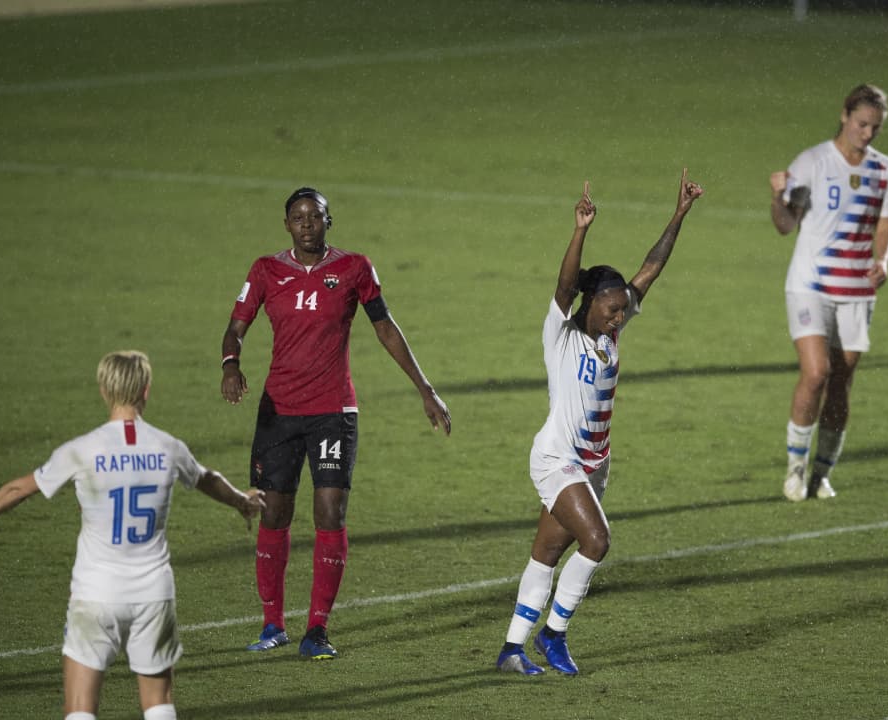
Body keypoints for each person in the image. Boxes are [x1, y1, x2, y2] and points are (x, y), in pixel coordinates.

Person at [0, 351, 264, 720]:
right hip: (153, 594)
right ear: (146, 389)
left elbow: (19, 489)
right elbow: (207, 479)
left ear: (103, 390)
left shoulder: (82, 450)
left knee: (80, 711)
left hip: (95, 594)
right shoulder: (167, 447)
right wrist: (242, 501)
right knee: (159, 706)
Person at [221, 186, 451, 661]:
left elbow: (385, 327)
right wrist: (230, 363)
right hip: (279, 413)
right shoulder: (266, 270)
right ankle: (272, 623)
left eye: (315, 216)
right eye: (298, 217)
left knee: (331, 513)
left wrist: (424, 388)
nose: (307, 224)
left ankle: (317, 629)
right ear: (286, 224)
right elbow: (237, 324)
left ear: (330, 221)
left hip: (333, 412)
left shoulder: (354, 268)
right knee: (274, 513)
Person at [495, 170, 703, 676]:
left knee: (546, 551)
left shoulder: (612, 329)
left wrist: (678, 214)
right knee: (598, 542)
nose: (619, 318)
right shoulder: (561, 334)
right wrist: (580, 229)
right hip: (557, 459)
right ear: (590, 305)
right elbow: (565, 284)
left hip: (594, 466)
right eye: (611, 311)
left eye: (622, 311)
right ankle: (554, 634)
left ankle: (511, 649)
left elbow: (651, 268)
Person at [769, 84, 888, 502]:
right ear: (844, 115)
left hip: (857, 290)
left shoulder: (884, 170)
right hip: (810, 285)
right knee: (816, 372)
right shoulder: (812, 162)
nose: (867, 133)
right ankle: (794, 467)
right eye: (862, 124)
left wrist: (883, 260)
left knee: (842, 380)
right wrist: (777, 195)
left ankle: (821, 474)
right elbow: (785, 225)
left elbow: (884, 223)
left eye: (875, 128)